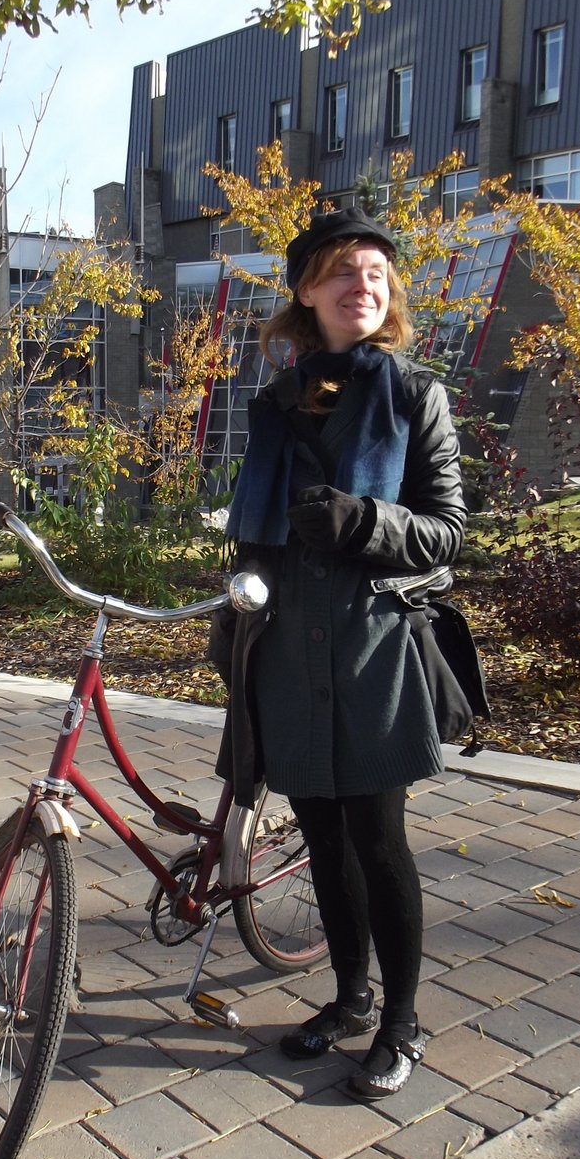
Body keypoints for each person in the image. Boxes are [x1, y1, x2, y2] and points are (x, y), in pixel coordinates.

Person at [210, 208, 466, 1098]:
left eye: (377, 272)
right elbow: (253, 533)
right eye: (343, 271)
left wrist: (365, 521)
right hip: (283, 648)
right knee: (321, 834)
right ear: (308, 291)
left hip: (372, 648)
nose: (364, 284)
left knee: (378, 839)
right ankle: (351, 998)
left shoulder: (414, 395)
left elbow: (447, 531)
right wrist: (233, 624)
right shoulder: (276, 402)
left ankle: (402, 1021)